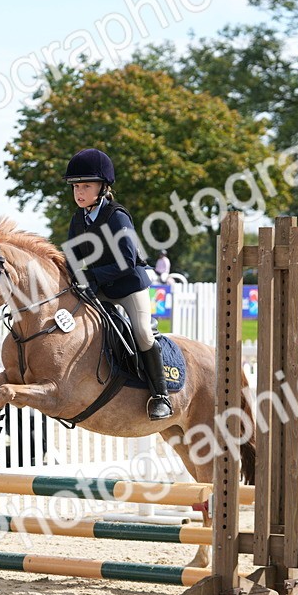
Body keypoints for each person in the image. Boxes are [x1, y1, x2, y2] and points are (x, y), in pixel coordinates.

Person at [63, 148, 170, 421]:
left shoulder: (116, 216)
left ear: (103, 187)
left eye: (86, 186)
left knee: (144, 333)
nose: (79, 192)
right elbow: (73, 256)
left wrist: (92, 277)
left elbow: (126, 260)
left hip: (128, 287)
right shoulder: (79, 219)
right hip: (100, 287)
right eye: (76, 186)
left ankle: (161, 395)